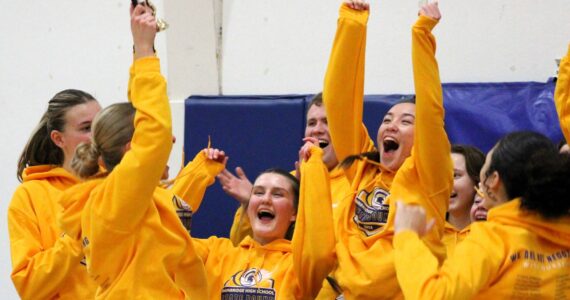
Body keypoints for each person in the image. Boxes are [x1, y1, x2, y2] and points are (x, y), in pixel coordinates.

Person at [58, 4, 208, 298]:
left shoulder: (122, 197)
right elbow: (155, 134)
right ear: (131, 150)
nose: (171, 141)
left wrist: (143, 47)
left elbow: (141, 118)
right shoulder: (116, 200)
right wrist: (144, 53)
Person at [321, 1, 452, 298]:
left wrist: (422, 35)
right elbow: (338, 101)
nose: (391, 126)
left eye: (406, 121)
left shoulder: (429, 177)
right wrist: (352, 24)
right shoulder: (360, 166)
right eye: (387, 120)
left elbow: (431, 112)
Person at [393, 131, 570, 299]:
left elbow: (433, 296)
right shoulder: (564, 236)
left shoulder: (493, 239)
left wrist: (406, 237)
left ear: (494, 180)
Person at [191, 140, 335, 299]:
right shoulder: (216, 252)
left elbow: (321, 249)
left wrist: (313, 167)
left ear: (294, 212)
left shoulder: (300, 267)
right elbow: (165, 240)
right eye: (258, 193)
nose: (265, 200)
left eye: (278, 194)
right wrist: (198, 173)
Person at [217, 93, 351, 247]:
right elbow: (243, 248)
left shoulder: (358, 181)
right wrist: (251, 205)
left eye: (327, 122)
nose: (317, 130)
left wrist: (305, 196)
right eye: (312, 123)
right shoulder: (285, 184)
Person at [8, 89, 101, 299]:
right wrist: (75, 235)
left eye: (101, 124)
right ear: (58, 139)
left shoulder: (118, 185)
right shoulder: (30, 195)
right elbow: (30, 286)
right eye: (86, 128)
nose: (97, 135)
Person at [443, 145, 485, 255]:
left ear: (477, 182)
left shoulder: (493, 236)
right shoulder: (427, 234)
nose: (445, 184)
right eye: (440, 176)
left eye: (455, 175)